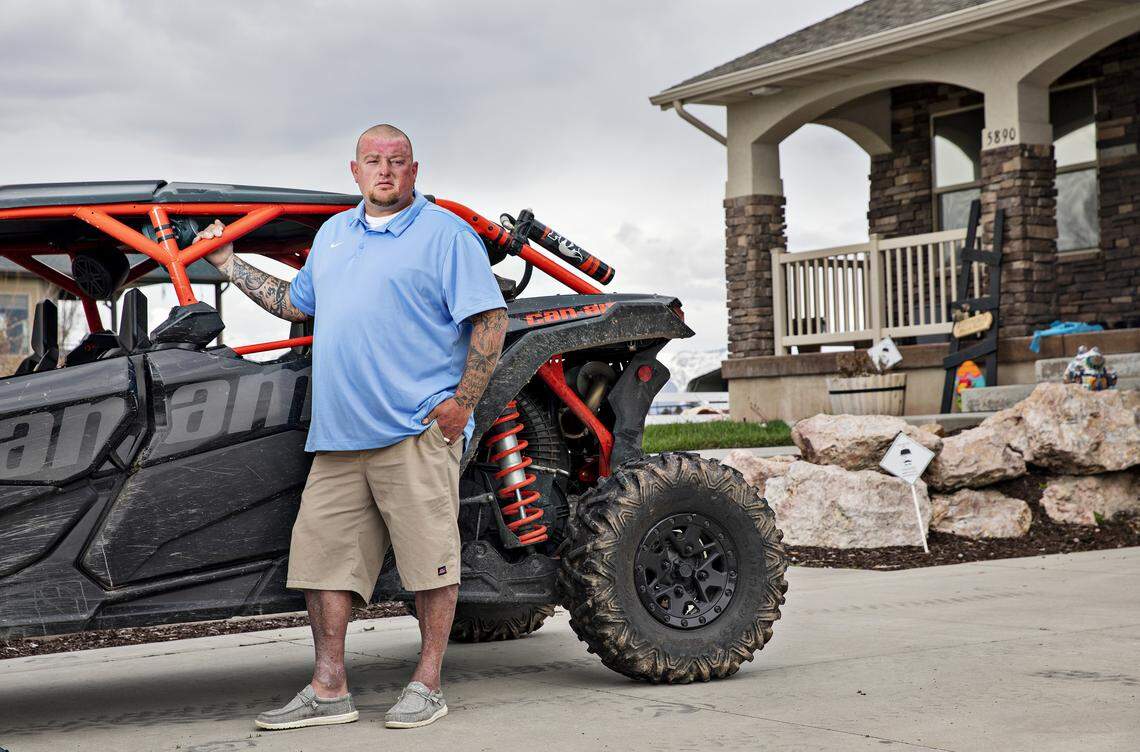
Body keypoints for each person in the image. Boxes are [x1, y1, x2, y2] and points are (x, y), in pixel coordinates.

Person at [195, 124, 508, 730]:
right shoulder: (334, 234)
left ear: (415, 171)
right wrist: (228, 263)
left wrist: (463, 403)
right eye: (373, 161)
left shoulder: (445, 234)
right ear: (355, 171)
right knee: (322, 566)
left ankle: (427, 683)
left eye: (396, 161)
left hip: (414, 432)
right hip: (338, 438)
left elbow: (489, 319)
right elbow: (295, 303)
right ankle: (329, 688)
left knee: (430, 564)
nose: (385, 171)